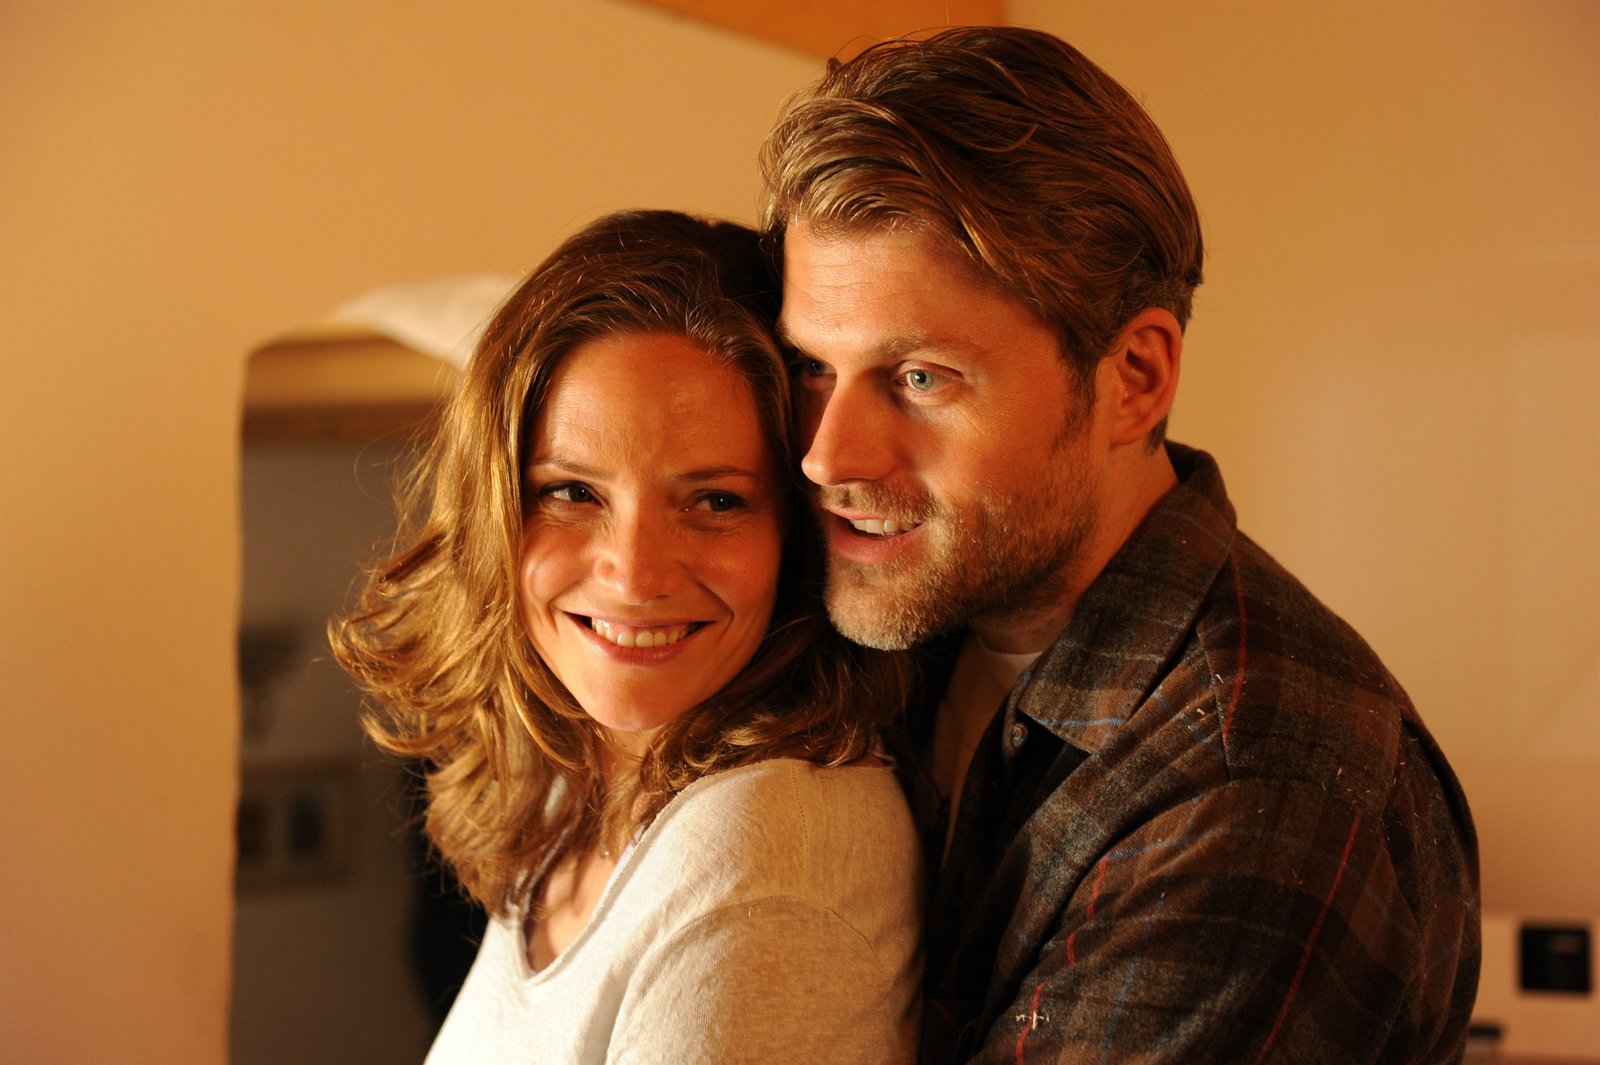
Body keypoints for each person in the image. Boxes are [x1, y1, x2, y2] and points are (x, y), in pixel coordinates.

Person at [760, 26, 1480, 1064]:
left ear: (1134, 378)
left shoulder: (1255, 788)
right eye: (812, 368)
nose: (828, 454)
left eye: (919, 377)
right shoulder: (911, 618)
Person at [332, 209, 923, 1064]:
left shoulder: (761, 867)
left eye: (715, 500)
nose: (635, 575)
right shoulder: (582, 774)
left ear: (797, 535)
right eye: (573, 492)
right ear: (496, 511)